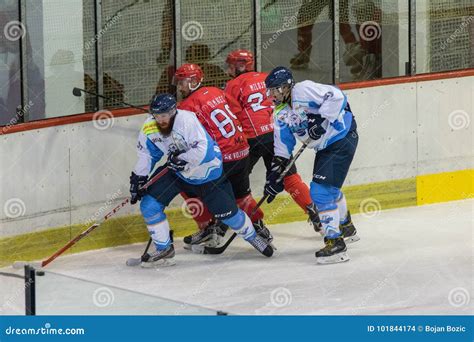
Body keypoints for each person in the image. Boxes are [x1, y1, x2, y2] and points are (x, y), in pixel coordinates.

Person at [129, 93, 274, 267]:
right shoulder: (149, 127)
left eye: (164, 115)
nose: (160, 120)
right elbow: (147, 154)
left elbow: (203, 151)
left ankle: (252, 237)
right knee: (149, 204)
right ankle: (164, 248)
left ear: (174, 111)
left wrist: (183, 160)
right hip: (178, 173)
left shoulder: (187, 121)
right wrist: (139, 177)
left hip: (207, 173)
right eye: (156, 115)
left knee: (230, 216)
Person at [264, 66, 359, 264]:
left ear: (286, 87)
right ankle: (346, 226)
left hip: (341, 137)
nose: (272, 94)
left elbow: (338, 97)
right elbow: (282, 151)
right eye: (270, 90)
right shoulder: (280, 112)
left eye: (275, 89)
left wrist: (321, 118)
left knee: (320, 192)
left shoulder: (304, 90)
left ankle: (336, 244)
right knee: (329, 190)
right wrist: (273, 177)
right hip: (326, 146)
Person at [173, 63, 273, 248]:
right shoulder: (216, 91)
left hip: (222, 158)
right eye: (178, 83)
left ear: (194, 82)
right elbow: (237, 112)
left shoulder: (187, 106)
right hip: (242, 151)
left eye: (182, 83)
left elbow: (192, 141)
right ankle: (259, 228)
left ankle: (209, 229)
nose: (179, 87)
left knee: (183, 182)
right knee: (242, 196)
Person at [224, 49, 321, 231]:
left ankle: (255, 223)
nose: (228, 70)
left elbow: (233, 117)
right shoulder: (267, 78)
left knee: (235, 182)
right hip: (276, 134)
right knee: (289, 177)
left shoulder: (233, 85)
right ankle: (314, 212)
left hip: (251, 139)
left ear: (239, 66)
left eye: (230, 66)